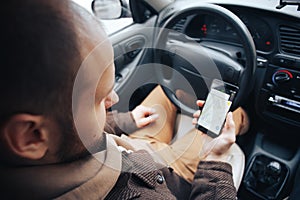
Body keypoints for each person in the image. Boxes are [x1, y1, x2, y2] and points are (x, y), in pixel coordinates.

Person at [0, 0, 248, 199]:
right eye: (99, 100)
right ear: (31, 136)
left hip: (131, 145)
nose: (115, 98)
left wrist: (128, 119)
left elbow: (70, 126)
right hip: (174, 172)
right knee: (230, 111)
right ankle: (246, 118)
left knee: (168, 91)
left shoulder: (53, 142)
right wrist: (215, 163)